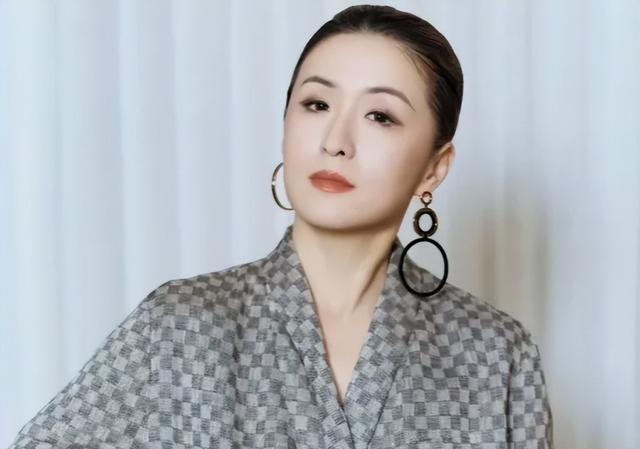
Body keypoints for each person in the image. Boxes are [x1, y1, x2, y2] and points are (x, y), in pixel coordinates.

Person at [8, 4, 554, 448]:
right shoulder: (180, 325)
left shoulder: (496, 354)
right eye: (316, 104)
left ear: (434, 167)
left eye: (380, 116)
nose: (335, 141)